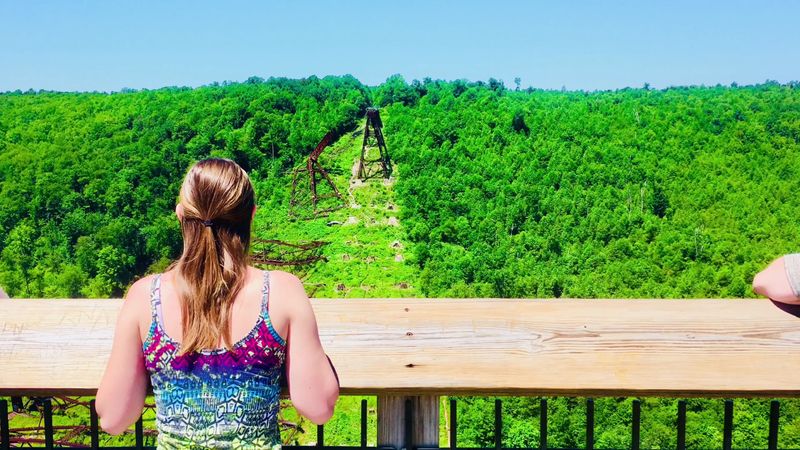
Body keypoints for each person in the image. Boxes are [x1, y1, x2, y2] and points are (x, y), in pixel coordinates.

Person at [96, 158, 339, 449]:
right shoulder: (281, 292)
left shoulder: (145, 298)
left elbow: (113, 419)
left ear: (180, 216)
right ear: (251, 216)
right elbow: (318, 408)